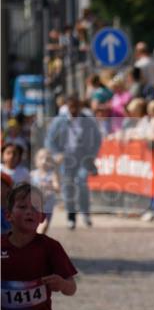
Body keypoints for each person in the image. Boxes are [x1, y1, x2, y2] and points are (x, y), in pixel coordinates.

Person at [45, 94, 101, 229]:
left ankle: (85, 213)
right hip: (66, 159)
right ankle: (71, 216)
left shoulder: (88, 121)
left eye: (76, 106)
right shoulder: (59, 121)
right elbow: (50, 139)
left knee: (82, 183)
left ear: (80, 106)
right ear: (67, 106)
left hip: (83, 158)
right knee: (68, 188)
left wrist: (92, 155)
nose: (74, 110)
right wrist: (56, 153)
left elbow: (97, 138)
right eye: (71, 107)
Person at [30, 149, 60, 234]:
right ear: (36, 160)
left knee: (43, 230)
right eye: (41, 158)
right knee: (41, 226)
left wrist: (50, 186)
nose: (44, 161)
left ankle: (36, 244)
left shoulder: (52, 175)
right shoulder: (32, 174)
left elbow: (57, 188)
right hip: (35, 207)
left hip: (48, 207)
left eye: (47, 159)